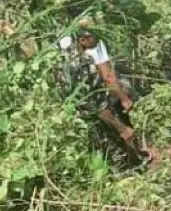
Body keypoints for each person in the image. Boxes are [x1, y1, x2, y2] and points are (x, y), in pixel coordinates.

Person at [58, 21, 138, 153]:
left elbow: (107, 74)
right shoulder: (76, 64)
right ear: (82, 40)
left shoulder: (72, 39)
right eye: (94, 40)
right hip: (75, 106)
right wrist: (121, 128)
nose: (97, 43)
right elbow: (93, 104)